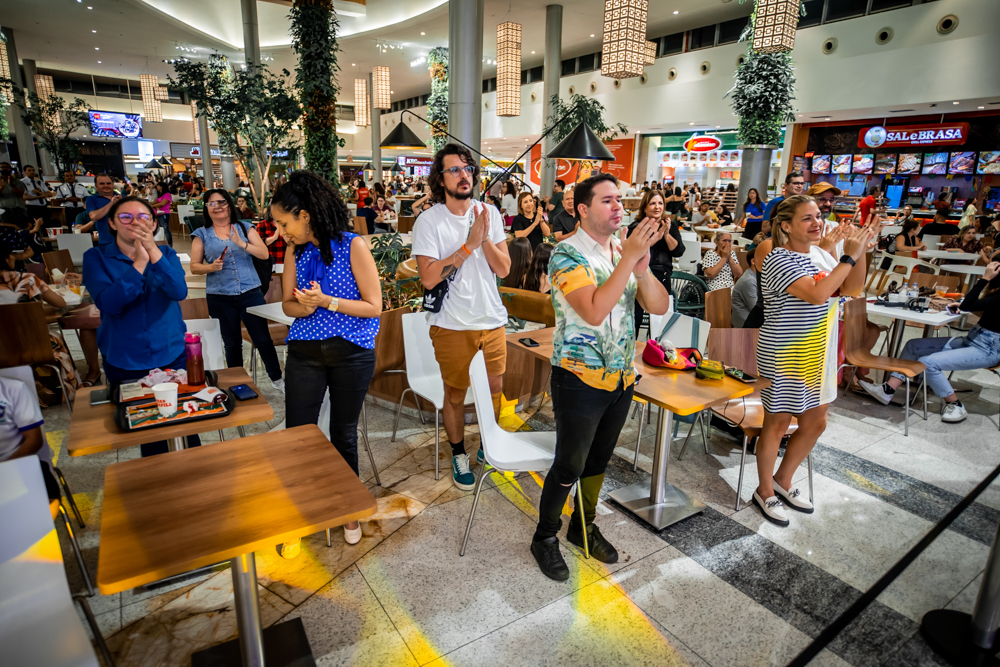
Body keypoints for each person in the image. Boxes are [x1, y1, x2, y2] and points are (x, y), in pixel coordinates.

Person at [531, 172, 671, 581]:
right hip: (579, 379)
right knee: (569, 465)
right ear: (582, 209)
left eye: (619, 201)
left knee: (598, 461)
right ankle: (545, 536)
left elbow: (659, 307)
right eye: (607, 200)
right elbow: (593, 311)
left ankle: (583, 526)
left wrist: (640, 269)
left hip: (621, 377)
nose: (618, 207)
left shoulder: (621, 251)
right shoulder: (566, 253)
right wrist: (628, 259)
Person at [267, 171, 382, 554]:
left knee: (342, 435)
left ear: (305, 215)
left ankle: (348, 508)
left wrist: (326, 302)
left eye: (284, 223)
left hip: (352, 354)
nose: (281, 232)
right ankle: (298, 511)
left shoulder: (353, 245)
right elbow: (287, 305)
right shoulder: (294, 252)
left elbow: (374, 306)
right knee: (298, 436)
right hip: (305, 353)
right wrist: (303, 306)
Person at [753, 195, 875, 526]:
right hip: (785, 351)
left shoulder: (819, 254)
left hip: (817, 351)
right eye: (807, 218)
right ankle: (764, 490)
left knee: (816, 422)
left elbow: (852, 287)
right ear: (786, 226)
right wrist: (848, 256)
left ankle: (783, 479)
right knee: (778, 423)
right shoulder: (778, 258)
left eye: (818, 216)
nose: (817, 222)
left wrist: (861, 250)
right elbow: (818, 294)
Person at [412, 143, 511, 490]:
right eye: (454, 169)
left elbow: (504, 268)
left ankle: (488, 445)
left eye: (467, 168)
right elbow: (428, 278)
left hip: (492, 320)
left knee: (495, 388)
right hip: (452, 324)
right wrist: (468, 244)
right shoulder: (429, 221)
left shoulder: (489, 213)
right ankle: (458, 453)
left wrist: (484, 238)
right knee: (455, 394)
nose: (463, 175)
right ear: (440, 180)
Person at [82, 197, 198, 456]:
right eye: (126, 217)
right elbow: (109, 304)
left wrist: (152, 252)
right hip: (126, 360)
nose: (135, 222)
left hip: (172, 354)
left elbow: (179, 291)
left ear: (154, 224)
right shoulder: (96, 257)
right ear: (112, 223)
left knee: (185, 420)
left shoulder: (167, 255)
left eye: (143, 217)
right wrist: (139, 263)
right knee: (148, 427)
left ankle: (194, 475)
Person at [860, 261, 1000, 424]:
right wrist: (963, 306)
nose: (989, 268)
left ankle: (954, 404)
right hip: (974, 339)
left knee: (928, 363)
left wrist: (984, 279)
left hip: (988, 349)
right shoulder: (997, 292)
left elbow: (971, 303)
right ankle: (888, 390)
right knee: (913, 346)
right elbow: (984, 308)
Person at [190, 189, 284, 392]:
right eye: (212, 203)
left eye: (221, 202)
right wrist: (210, 267)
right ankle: (238, 384)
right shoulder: (201, 234)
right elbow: (194, 267)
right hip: (219, 296)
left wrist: (242, 244)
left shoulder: (245, 228)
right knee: (232, 343)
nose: (217, 207)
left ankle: (277, 379)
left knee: (262, 339)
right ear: (206, 208)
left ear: (229, 204)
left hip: (250, 292)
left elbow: (264, 253)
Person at [627, 190, 684, 335]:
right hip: (640, 277)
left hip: (662, 276)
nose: (657, 207)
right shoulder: (636, 227)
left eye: (660, 203)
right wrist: (657, 236)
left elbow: (678, 251)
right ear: (645, 207)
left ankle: (656, 346)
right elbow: (635, 251)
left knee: (660, 322)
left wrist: (666, 234)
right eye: (652, 203)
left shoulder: (670, 226)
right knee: (635, 318)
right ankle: (633, 345)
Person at [81, 174, 120, 245]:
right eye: (102, 183)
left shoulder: (122, 197)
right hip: (107, 242)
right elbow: (94, 217)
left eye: (108, 183)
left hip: (128, 242)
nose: (106, 185)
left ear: (112, 184)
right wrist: (111, 203)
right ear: (96, 186)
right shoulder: (92, 199)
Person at [731, 244, 758, 328]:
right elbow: (756, 309)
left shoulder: (754, 276)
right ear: (753, 261)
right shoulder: (749, 281)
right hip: (746, 325)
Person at [151, 181, 173, 247]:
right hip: (157, 214)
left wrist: (152, 206)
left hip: (164, 214)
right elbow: (156, 201)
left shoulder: (167, 194)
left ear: (161, 187)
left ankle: (169, 244)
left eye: (158, 186)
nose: (156, 187)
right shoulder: (160, 195)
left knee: (165, 229)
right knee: (158, 229)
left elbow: (162, 203)